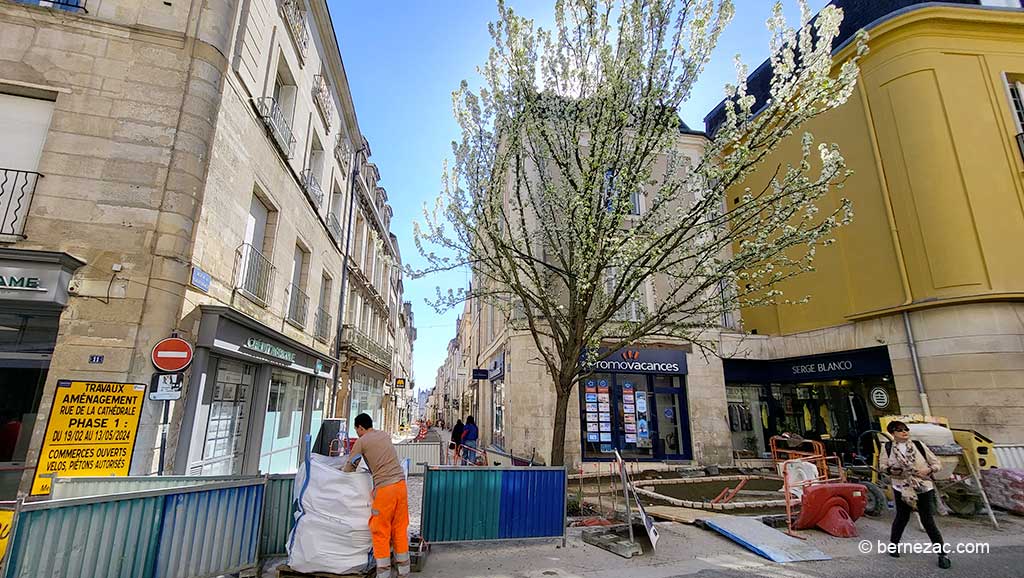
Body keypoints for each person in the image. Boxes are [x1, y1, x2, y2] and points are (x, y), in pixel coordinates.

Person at [343, 413, 410, 577]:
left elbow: (351, 466)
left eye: (357, 430)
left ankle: (383, 573)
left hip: (385, 489)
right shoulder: (384, 435)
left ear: (360, 427)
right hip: (401, 486)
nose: (357, 433)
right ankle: (404, 572)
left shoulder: (361, 441)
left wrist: (340, 475)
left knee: (380, 530)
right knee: (399, 529)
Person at [878, 420, 950, 570]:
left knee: (927, 520)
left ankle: (942, 554)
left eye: (906, 429)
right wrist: (893, 471)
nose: (904, 432)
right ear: (893, 433)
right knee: (902, 517)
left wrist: (928, 471)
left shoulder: (918, 445)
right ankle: (894, 546)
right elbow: (883, 467)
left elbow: (936, 463)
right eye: (900, 430)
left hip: (922, 485)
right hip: (901, 486)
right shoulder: (888, 447)